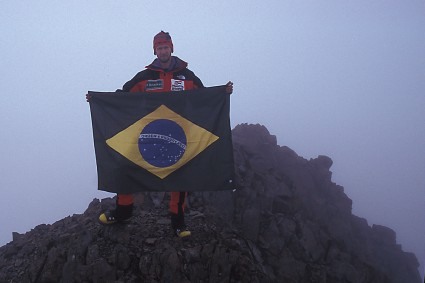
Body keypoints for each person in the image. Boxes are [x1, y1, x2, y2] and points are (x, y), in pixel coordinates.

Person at [91, 31, 233, 237]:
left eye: (166, 47)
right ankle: (123, 212)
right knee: (124, 165)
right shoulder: (144, 77)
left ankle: (178, 222)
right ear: (155, 51)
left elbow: (204, 97)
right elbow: (123, 96)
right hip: (147, 136)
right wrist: (98, 101)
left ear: (172, 48)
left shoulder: (187, 76)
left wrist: (222, 92)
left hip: (179, 135)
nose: (163, 51)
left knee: (181, 175)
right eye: (159, 48)